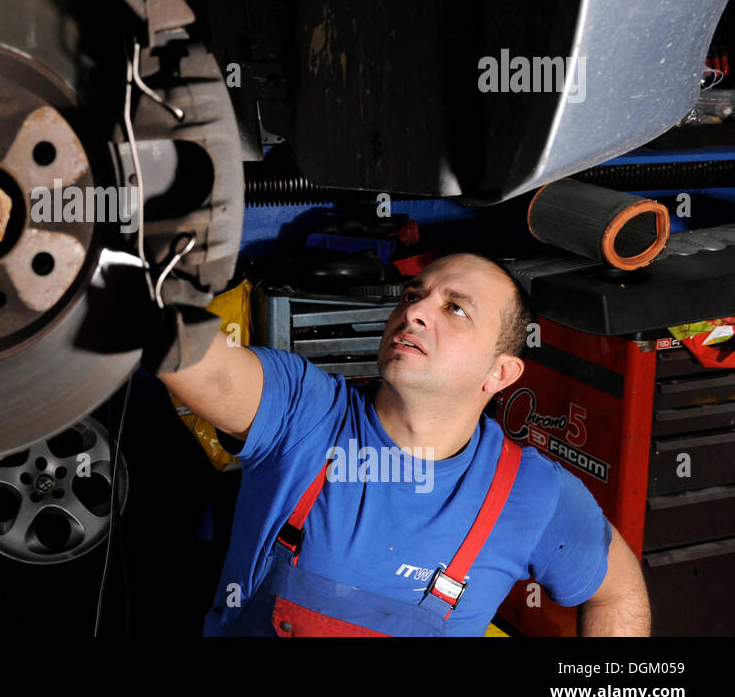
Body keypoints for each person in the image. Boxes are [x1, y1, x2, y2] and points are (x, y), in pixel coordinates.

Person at [152, 252, 651, 636]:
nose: (415, 312)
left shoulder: (532, 493)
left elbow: (617, 590)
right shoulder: (304, 410)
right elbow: (195, 361)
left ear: (500, 373)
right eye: (414, 294)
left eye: (455, 309)